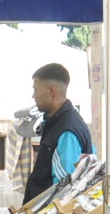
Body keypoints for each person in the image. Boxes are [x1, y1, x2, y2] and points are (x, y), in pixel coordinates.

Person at [22, 62, 93, 201]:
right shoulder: (55, 122)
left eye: (36, 90)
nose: (33, 96)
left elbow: (65, 191)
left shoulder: (67, 131)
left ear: (52, 91)